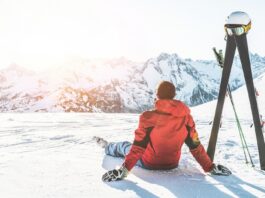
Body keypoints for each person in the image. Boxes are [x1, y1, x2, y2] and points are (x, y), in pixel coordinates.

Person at [95, 81, 231, 182]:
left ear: (157, 96)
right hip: (172, 164)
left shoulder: (148, 117)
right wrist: (210, 167)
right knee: (130, 147)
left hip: (149, 163)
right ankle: (109, 146)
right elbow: (196, 146)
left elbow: (137, 148)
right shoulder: (186, 119)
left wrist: (123, 171)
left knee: (124, 146)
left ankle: (108, 147)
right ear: (174, 96)